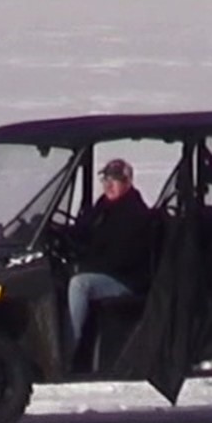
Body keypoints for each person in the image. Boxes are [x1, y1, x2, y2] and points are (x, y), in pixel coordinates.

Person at [62, 157, 159, 368]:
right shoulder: (103, 207)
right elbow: (84, 232)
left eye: (114, 180)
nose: (108, 185)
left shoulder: (134, 213)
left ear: (127, 182)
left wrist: (87, 263)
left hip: (125, 281)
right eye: (105, 179)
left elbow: (122, 258)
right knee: (59, 276)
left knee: (80, 284)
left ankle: (70, 353)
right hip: (104, 272)